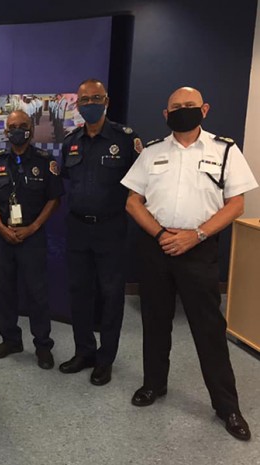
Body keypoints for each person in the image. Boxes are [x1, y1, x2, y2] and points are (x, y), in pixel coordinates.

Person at [121, 86, 257, 441]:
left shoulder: (224, 150)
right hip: (158, 247)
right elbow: (133, 201)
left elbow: (236, 204)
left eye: (189, 105)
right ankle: (154, 384)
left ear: (204, 109)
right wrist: (161, 234)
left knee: (209, 329)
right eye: (176, 107)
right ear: (166, 115)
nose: (183, 110)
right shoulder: (152, 152)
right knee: (155, 321)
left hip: (199, 249)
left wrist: (194, 235)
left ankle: (227, 406)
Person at [59, 79, 142, 386]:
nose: (90, 104)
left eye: (96, 98)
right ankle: (84, 351)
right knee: (79, 292)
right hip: (78, 227)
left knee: (111, 295)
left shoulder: (126, 139)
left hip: (111, 228)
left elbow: (141, 183)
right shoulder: (71, 141)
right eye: (84, 100)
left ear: (106, 101)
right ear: (77, 105)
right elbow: (67, 178)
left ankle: (105, 359)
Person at [0, 110, 64, 369]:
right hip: (3, 236)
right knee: (5, 290)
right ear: (6, 131)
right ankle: (10, 340)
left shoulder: (45, 161)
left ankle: (43, 345)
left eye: (22, 125)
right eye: (12, 126)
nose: (17, 130)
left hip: (32, 237)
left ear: (31, 129)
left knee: (37, 293)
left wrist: (34, 227)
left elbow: (54, 199)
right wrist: (0, 226)